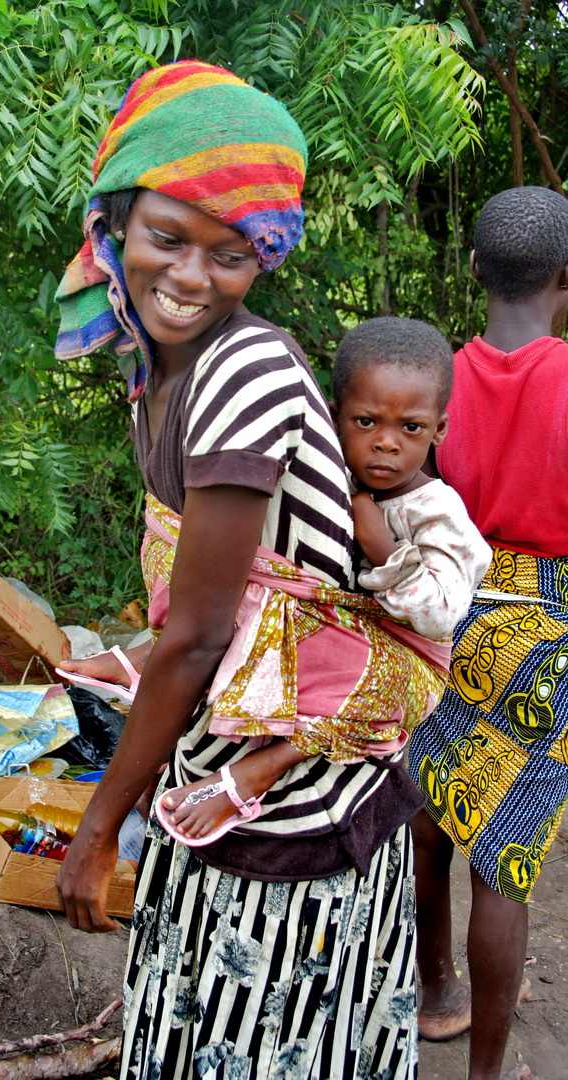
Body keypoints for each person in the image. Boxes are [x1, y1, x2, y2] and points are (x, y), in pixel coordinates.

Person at [54, 60, 431, 1080]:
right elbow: (199, 610)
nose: (189, 277)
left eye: (229, 255)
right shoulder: (155, 366)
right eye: (165, 238)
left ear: (262, 258)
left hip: (294, 791)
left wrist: (97, 828)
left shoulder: (244, 374)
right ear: (114, 224)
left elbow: (199, 635)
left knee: (263, 1042)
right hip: (220, 755)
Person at [157, 316, 492, 845]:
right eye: (366, 422)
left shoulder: (437, 512)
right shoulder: (333, 476)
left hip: (406, 661)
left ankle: (263, 767)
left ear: (439, 430)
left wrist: (382, 545)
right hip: (337, 638)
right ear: (335, 418)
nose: (387, 443)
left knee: (366, 688)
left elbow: (439, 615)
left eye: (411, 428)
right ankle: (150, 665)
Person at [407, 185, 568, 1080]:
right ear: (566, 279)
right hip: (548, 629)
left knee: (430, 808)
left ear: (472, 268)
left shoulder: (433, 377)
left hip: (443, 604)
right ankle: (485, 1075)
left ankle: (436, 992)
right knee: (503, 862)